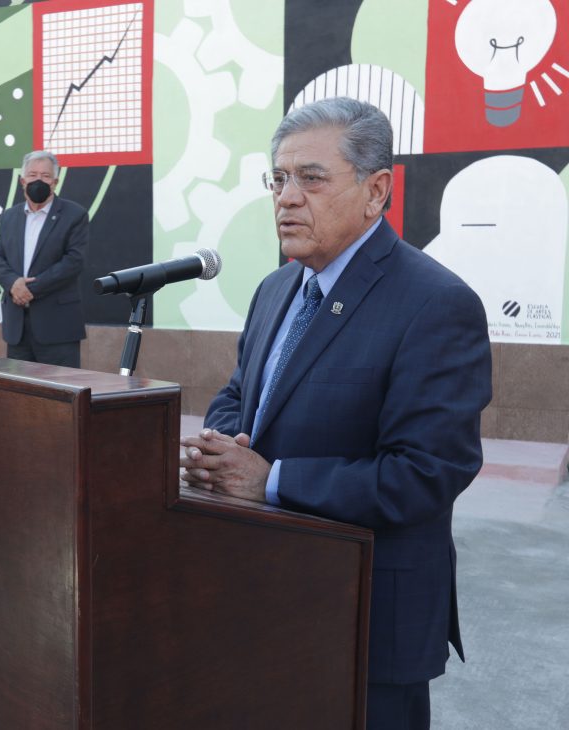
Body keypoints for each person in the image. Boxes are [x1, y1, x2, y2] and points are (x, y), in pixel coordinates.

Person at [180, 98, 491, 730]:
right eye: (278, 178)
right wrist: (223, 448)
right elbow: (240, 395)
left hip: (368, 620)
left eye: (312, 178)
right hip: (265, 597)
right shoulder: (276, 288)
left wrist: (269, 479)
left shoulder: (436, 304)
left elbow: (425, 473)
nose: (287, 198)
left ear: (377, 191)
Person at [0, 150, 89, 367]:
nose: (38, 181)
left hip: (58, 327)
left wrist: (29, 289)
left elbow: (73, 261)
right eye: (33, 175)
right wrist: (13, 284)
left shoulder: (74, 214)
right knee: (19, 387)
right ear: (22, 181)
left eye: (45, 176)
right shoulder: (9, 216)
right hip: (17, 327)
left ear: (55, 182)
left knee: (60, 387)